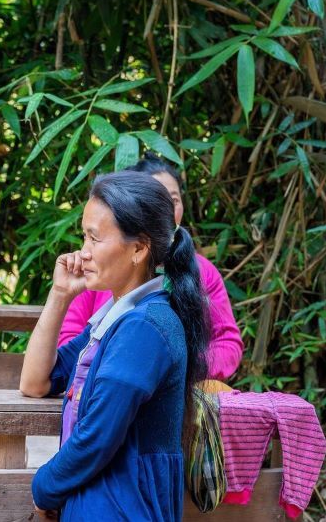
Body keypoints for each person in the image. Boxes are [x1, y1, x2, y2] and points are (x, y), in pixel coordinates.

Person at [20, 171, 209, 521]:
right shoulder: (117, 319)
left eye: (94, 239)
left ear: (138, 248)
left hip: (121, 507)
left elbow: (97, 438)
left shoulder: (144, 328)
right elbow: (35, 382)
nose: (83, 252)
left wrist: (43, 487)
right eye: (84, 237)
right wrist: (60, 295)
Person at [58, 152, 243, 380]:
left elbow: (227, 342)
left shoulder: (203, 271)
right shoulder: (97, 267)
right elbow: (70, 338)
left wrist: (176, 373)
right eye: (158, 200)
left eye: (174, 200)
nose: (168, 209)